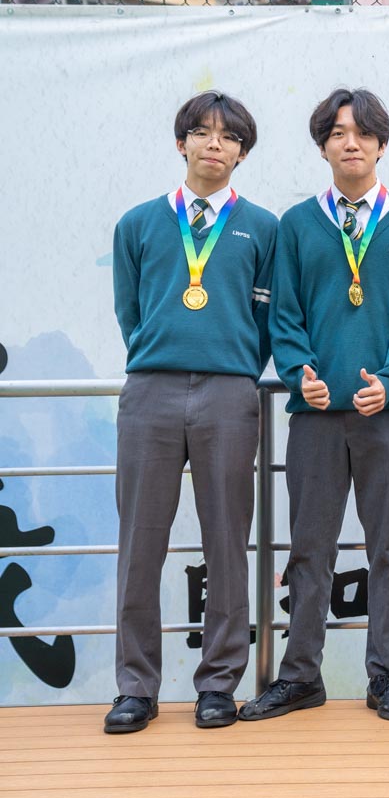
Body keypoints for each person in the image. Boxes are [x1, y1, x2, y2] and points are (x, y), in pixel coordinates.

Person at [241, 88, 389, 723]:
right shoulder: (297, 224)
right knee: (309, 549)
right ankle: (301, 675)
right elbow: (285, 314)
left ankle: (386, 676)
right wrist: (300, 375)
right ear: (322, 146)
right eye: (337, 133)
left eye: (362, 133)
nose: (350, 143)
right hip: (317, 417)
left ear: (382, 145)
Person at [106, 92, 278, 734]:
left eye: (229, 137)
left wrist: (231, 364)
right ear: (181, 143)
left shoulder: (263, 228)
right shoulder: (137, 224)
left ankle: (218, 685)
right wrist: (164, 355)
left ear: (242, 153)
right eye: (202, 132)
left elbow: (266, 319)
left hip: (230, 393)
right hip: (150, 391)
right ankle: (136, 687)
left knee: (227, 541)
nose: (214, 144)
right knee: (139, 543)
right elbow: (130, 312)